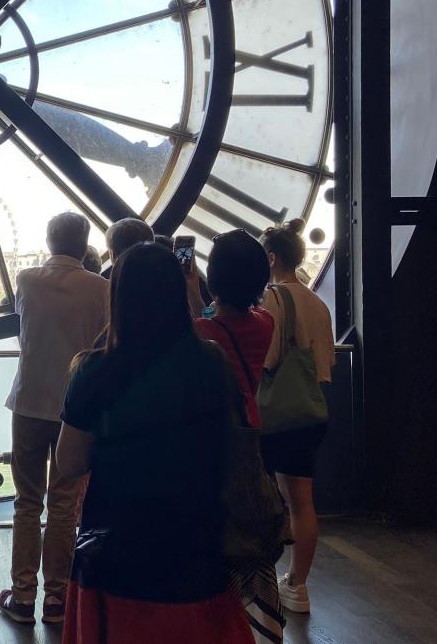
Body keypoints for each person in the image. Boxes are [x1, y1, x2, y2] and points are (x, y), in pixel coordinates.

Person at [55, 243, 253, 644]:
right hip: (197, 548)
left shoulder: (93, 369)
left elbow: (69, 462)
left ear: (118, 296)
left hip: (116, 552)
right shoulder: (211, 363)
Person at [0, 212, 108, 627]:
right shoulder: (101, 289)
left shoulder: (27, 280)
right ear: (84, 245)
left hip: (28, 401)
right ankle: (57, 599)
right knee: (63, 504)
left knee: (28, 502)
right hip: (74, 408)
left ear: (49, 240)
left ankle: (23, 595)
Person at [193, 230, 282, 644]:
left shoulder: (203, 331)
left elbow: (199, 329)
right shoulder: (264, 323)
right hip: (249, 437)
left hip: (208, 445)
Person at [259, 219, 335, 615]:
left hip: (276, 415)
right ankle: (298, 583)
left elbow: (267, 359)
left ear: (271, 259)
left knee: (260, 499)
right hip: (309, 411)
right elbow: (325, 365)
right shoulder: (318, 303)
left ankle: (260, 582)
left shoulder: (273, 299)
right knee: (302, 503)